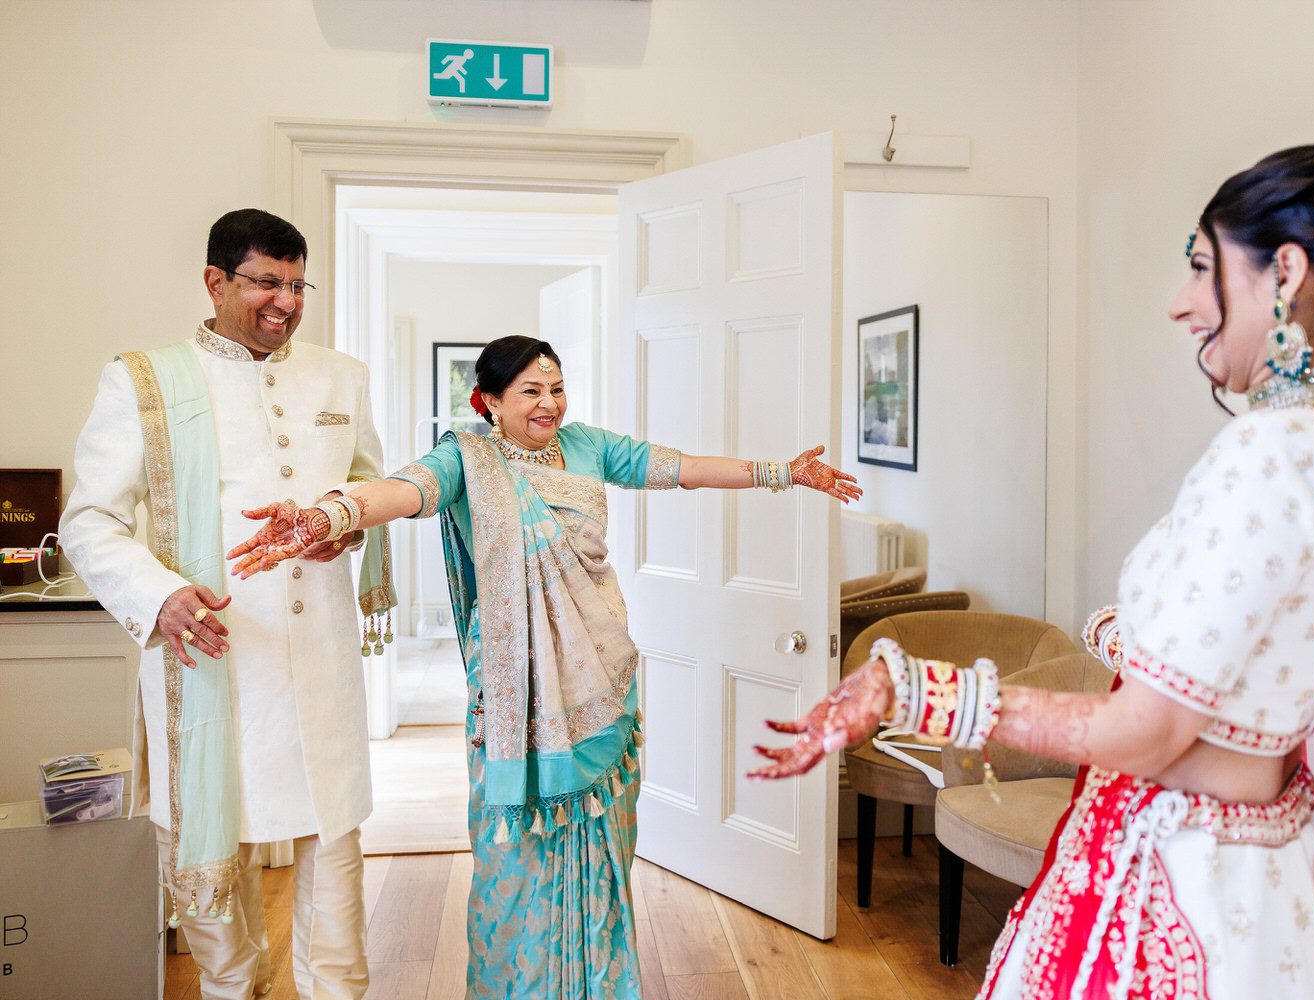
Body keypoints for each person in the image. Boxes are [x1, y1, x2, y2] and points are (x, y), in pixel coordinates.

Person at [750, 146, 1314, 999]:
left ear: (1284, 272)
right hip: (1271, 867)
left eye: (1202, 268)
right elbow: (1258, 667)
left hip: (1185, 880)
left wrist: (910, 690)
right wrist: (1128, 634)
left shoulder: (1274, 451)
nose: (1180, 304)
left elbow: (1150, 731)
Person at [223, 335, 861, 998]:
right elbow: (403, 492)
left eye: (556, 388)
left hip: (601, 678)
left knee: (603, 847)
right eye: (530, 390)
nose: (549, 403)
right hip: (509, 698)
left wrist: (784, 473)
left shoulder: (588, 446)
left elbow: (686, 468)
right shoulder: (464, 459)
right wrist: (327, 516)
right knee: (511, 858)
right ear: (488, 402)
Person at [60, 209, 393, 1000]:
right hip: (210, 654)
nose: (284, 302)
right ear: (215, 282)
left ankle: (336, 990)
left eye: (296, 284)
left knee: (333, 838)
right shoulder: (146, 378)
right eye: (264, 283)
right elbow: (89, 519)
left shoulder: (341, 375)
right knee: (214, 840)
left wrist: (340, 532)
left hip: (319, 660)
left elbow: (371, 490)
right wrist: (161, 596)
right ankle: (228, 987)